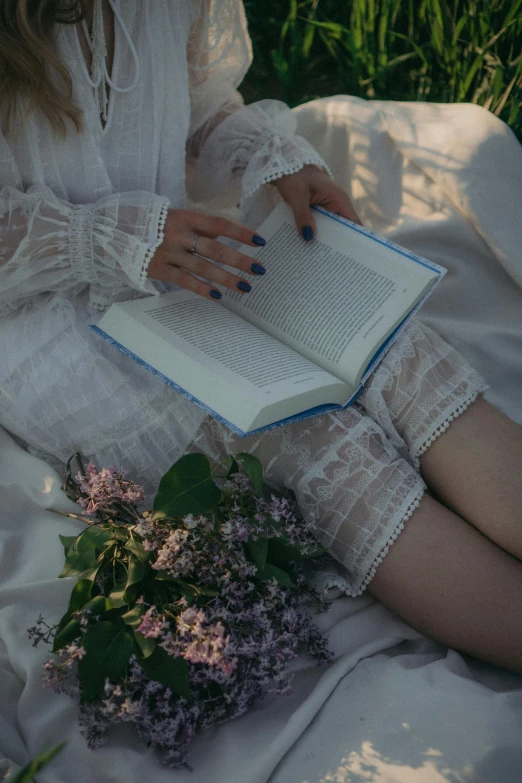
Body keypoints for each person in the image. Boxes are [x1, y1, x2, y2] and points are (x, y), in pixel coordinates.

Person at [0, 0, 521, 675]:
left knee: (392, 349)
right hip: (47, 315)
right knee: (305, 432)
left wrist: (270, 159)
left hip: (184, 249)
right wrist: (108, 236)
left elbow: (197, 103)